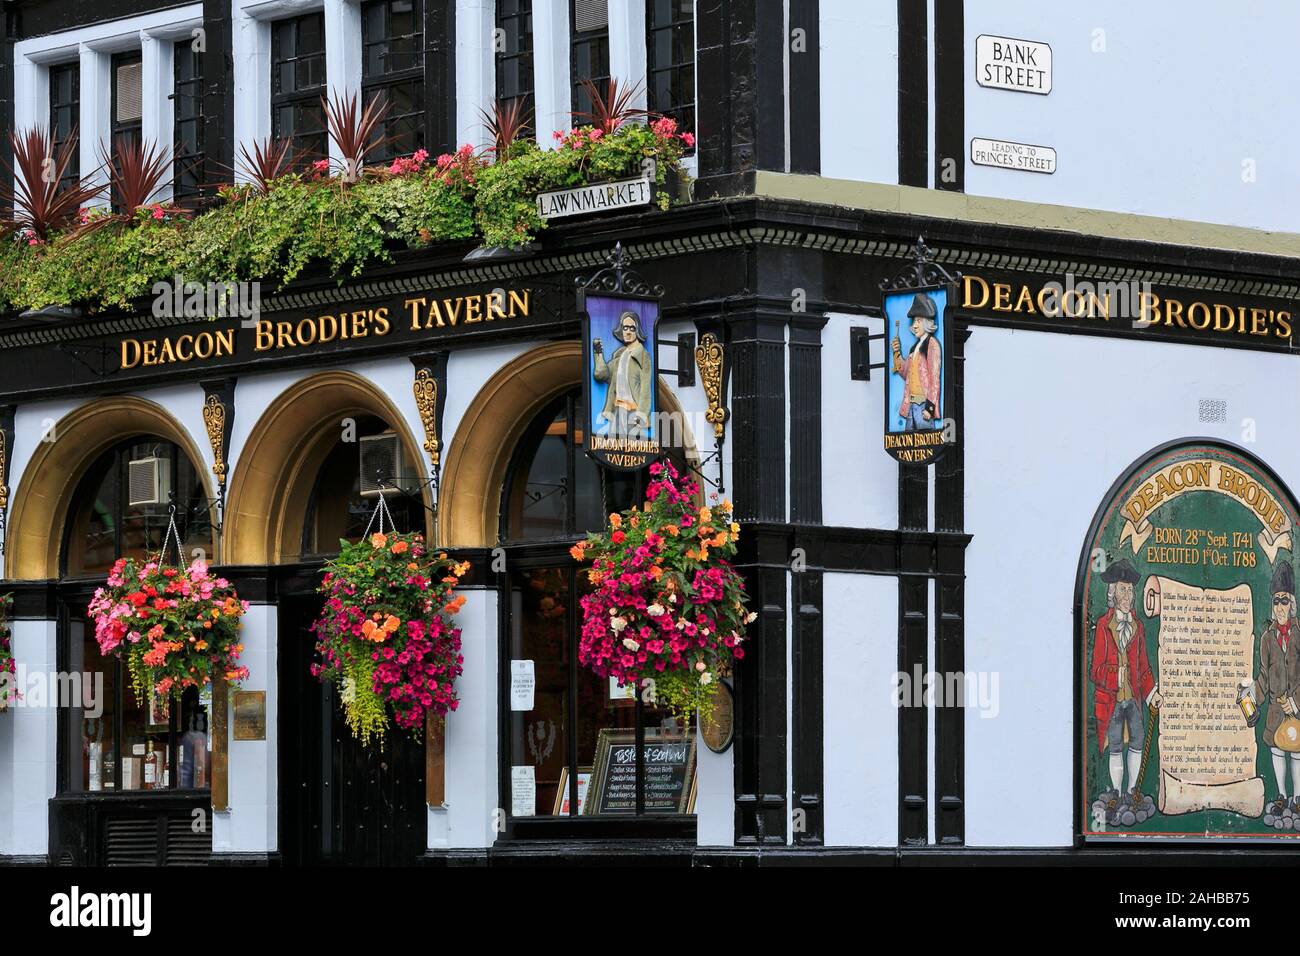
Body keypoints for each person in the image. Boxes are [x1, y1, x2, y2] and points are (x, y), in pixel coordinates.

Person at [1090, 559, 1163, 795]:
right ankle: (1117, 793)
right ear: (1113, 592)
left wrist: (1152, 694)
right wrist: (1115, 675)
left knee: (1137, 742)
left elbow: (1143, 667)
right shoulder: (1102, 625)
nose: (1128, 595)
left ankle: (1132, 791)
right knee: (1115, 746)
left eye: (1131, 590)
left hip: (1132, 700)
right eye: (1123, 589)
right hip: (1111, 700)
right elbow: (1095, 671)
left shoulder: (1138, 627)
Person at [1244, 561, 1300, 807]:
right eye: (1276, 601)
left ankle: (1297, 797)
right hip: (1276, 709)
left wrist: (1296, 702)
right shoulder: (1267, 638)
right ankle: (1281, 796)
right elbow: (1264, 677)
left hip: (1297, 708)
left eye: (1284, 601)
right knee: (1277, 751)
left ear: (1293, 604)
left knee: (1297, 752)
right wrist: (1250, 694)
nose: (1279, 607)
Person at [592, 309, 653, 440]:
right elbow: (601, 375)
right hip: (618, 410)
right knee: (616, 452)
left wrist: (642, 414)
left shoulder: (643, 356)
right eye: (625, 327)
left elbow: (645, 388)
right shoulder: (619, 355)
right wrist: (599, 354)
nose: (628, 331)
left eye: (632, 328)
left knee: (634, 453)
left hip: (633, 412)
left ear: (637, 331)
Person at [891, 292, 942, 431]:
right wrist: (897, 352)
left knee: (925, 448)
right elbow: (905, 372)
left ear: (926, 322)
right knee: (909, 447)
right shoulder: (915, 347)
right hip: (911, 405)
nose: (914, 325)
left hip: (923, 405)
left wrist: (930, 409)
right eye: (914, 321)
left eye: (918, 321)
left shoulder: (932, 344)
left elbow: (934, 379)